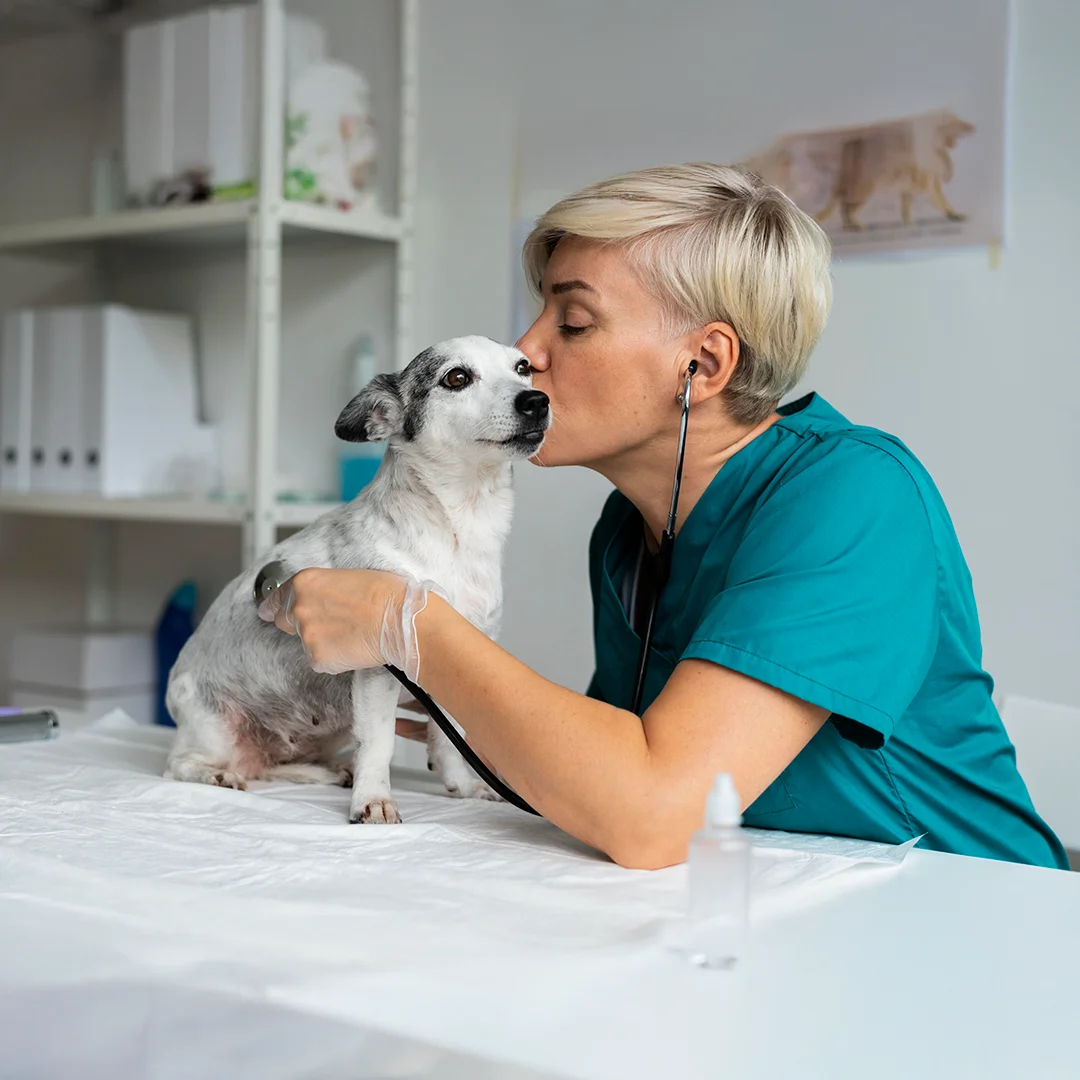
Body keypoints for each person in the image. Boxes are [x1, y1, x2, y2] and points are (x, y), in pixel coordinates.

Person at [261, 163, 1068, 871]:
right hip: (761, 903)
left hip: (975, 924)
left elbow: (650, 815)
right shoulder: (628, 531)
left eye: (571, 322)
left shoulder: (854, 495)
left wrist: (405, 621)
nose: (528, 349)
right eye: (538, 313)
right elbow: (599, 780)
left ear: (705, 364)